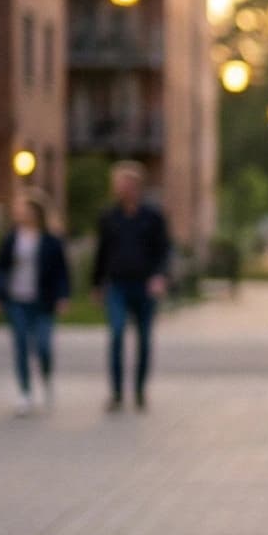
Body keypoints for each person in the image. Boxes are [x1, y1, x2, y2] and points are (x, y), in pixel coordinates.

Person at [91, 160, 170, 412]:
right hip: (117, 285)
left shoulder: (152, 217)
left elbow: (163, 250)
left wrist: (159, 276)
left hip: (144, 285)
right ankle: (116, 392)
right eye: (117, 184)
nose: (119, 188)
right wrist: (97, 283)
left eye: (124, 183)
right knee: (116, 334)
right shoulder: (109, 217)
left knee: (144, 339)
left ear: (135, 185)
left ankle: (139, 390)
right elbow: (101, 252)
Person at [0, 186, 71, 416]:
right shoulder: (12, 239)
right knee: (21, 346)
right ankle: (24, 393)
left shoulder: (51, 241)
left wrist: (63, 296)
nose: (20, 213)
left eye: (25, 209)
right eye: (18, 210)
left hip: (43, 301)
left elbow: (62, 272)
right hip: (17, 300)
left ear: (36, 212)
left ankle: (46, 378)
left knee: (43, 346)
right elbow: (1, 268)